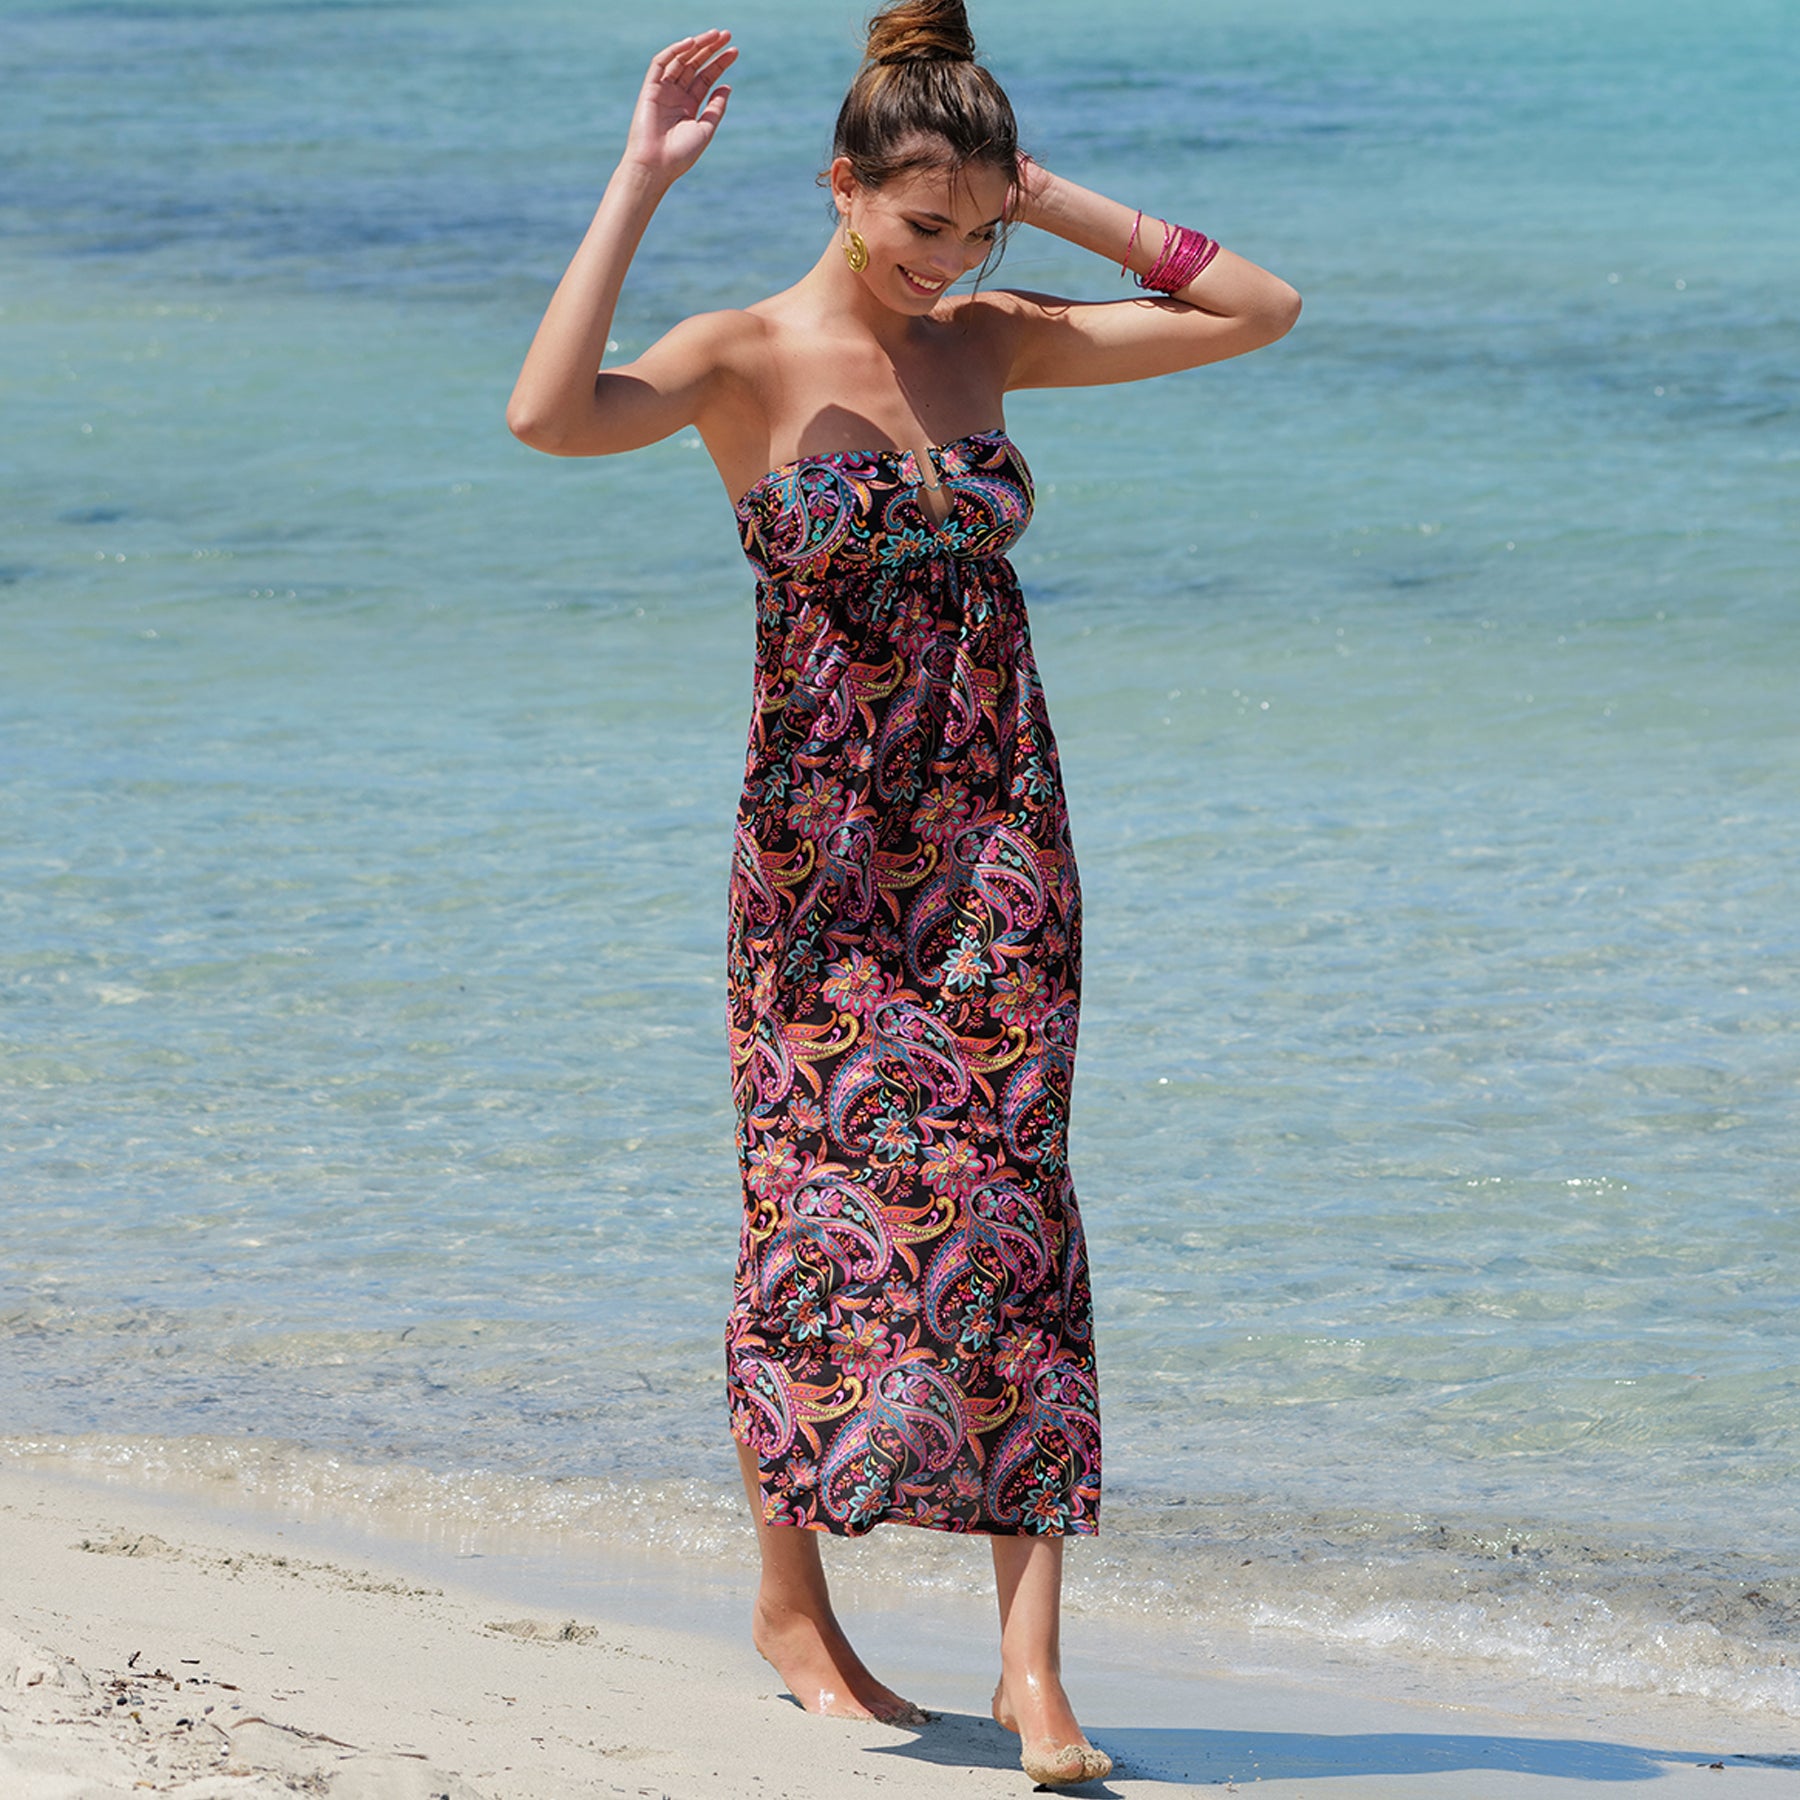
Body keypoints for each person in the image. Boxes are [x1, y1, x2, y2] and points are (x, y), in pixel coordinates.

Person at [508, 1, 1297, 1785]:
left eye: (977, 229)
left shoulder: (996, 339)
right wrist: (636, 181)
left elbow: (1256, 307)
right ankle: (793, 1603)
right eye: (919, 224)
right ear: (840, 188)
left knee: (1019, 1217)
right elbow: (548, 414)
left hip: (1004, 838)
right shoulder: (742, 355)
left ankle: (1034, 1674)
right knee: (810, 1215)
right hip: (817, 858)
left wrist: (1048, 198)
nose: (948, 263)